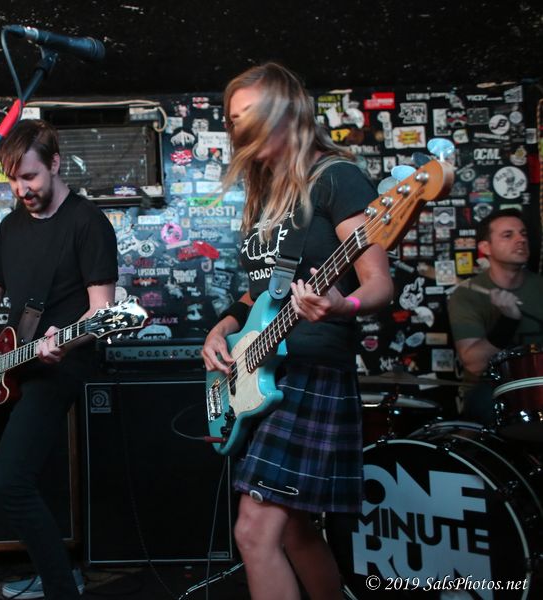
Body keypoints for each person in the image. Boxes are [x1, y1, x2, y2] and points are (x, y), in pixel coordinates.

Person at [201, 63, 394, 600]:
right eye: (234, 118)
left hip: (312, 373)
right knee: (296, 530)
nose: (241, 126)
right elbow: (260, 294)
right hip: (264, 370)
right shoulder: (264, 195)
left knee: (254, 531)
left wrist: (340, 303)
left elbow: (379, 284)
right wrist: (222, 327)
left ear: (290, 112)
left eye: (252, 113)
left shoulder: (336, 179)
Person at [0, 119, 117, 599]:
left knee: (10, 481)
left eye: (30, 177)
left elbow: (103, 312)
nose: (21, 189)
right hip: (12, 362)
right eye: (13, 179)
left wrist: (64, 342)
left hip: (61, 363)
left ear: (55, 163)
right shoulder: (10, 227)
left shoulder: (87, 223)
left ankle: (61, 588)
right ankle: (54, 571)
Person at [447, 208, 543, 424]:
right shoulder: (467, 295)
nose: (520, 240)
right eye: (508, 235)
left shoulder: (540, 287)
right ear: (485, 248)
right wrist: (507, 322)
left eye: (523, 234)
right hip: (492, 390)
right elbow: (474, 363)